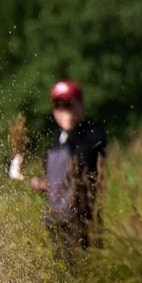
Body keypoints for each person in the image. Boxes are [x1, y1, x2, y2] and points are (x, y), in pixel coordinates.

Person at [22, 79, 106, 257]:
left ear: (81, 105)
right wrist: (43, 184)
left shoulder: (92, 133)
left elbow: (84, 161)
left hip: (84, 221)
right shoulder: (57, 141)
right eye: (58, 106)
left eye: (68, 105)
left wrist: (71, 132)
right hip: (57, 220)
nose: (63, 111)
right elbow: (57, 177)